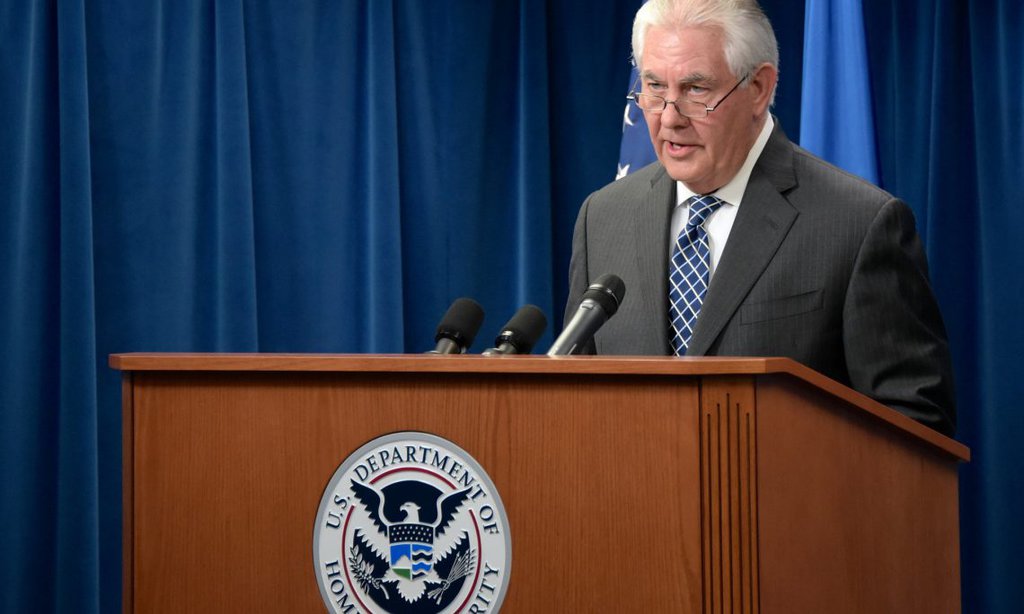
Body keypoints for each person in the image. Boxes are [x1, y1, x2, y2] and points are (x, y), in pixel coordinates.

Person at [563, 0, 956, 436]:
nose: (669, 118)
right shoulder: (603, 217)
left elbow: (914, 427)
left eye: (696, 89)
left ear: (758, 88)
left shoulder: (860, 225)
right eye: (654, 87)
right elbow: (574, 404)